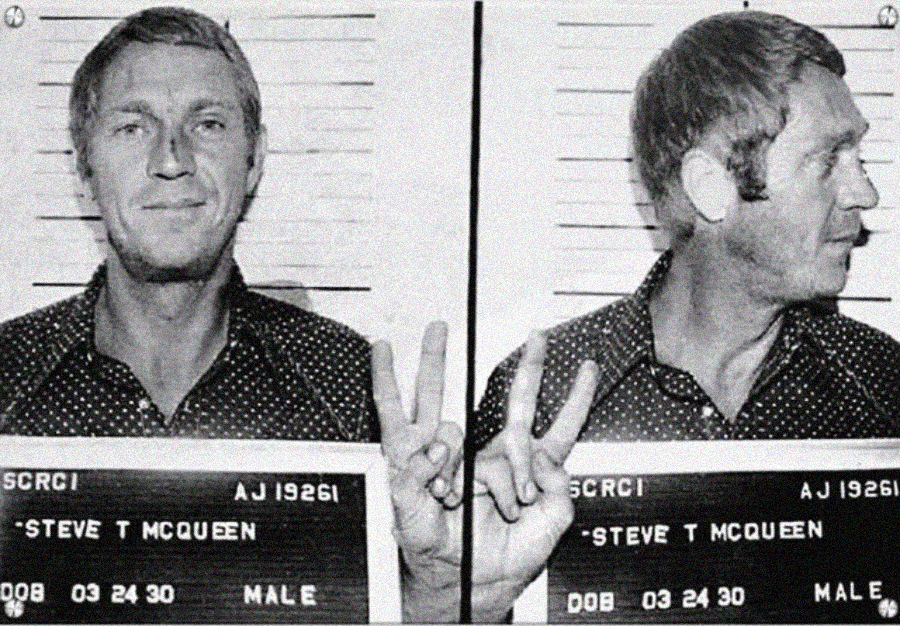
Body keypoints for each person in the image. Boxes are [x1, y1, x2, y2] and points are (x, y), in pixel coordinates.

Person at [0, 7, 465, 622]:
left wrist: (433, 587)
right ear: (84, 167)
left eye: (209, 124)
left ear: (256, 160)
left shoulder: (349, 387)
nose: (172, 160)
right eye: (133, 128)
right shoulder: (7, 375)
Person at [469, 9, 900, 620]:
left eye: (858, 158)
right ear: (710, 186)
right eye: (828, 160)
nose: (866, 194)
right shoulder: (542, 396)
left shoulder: (883, 385)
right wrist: (472, 601)